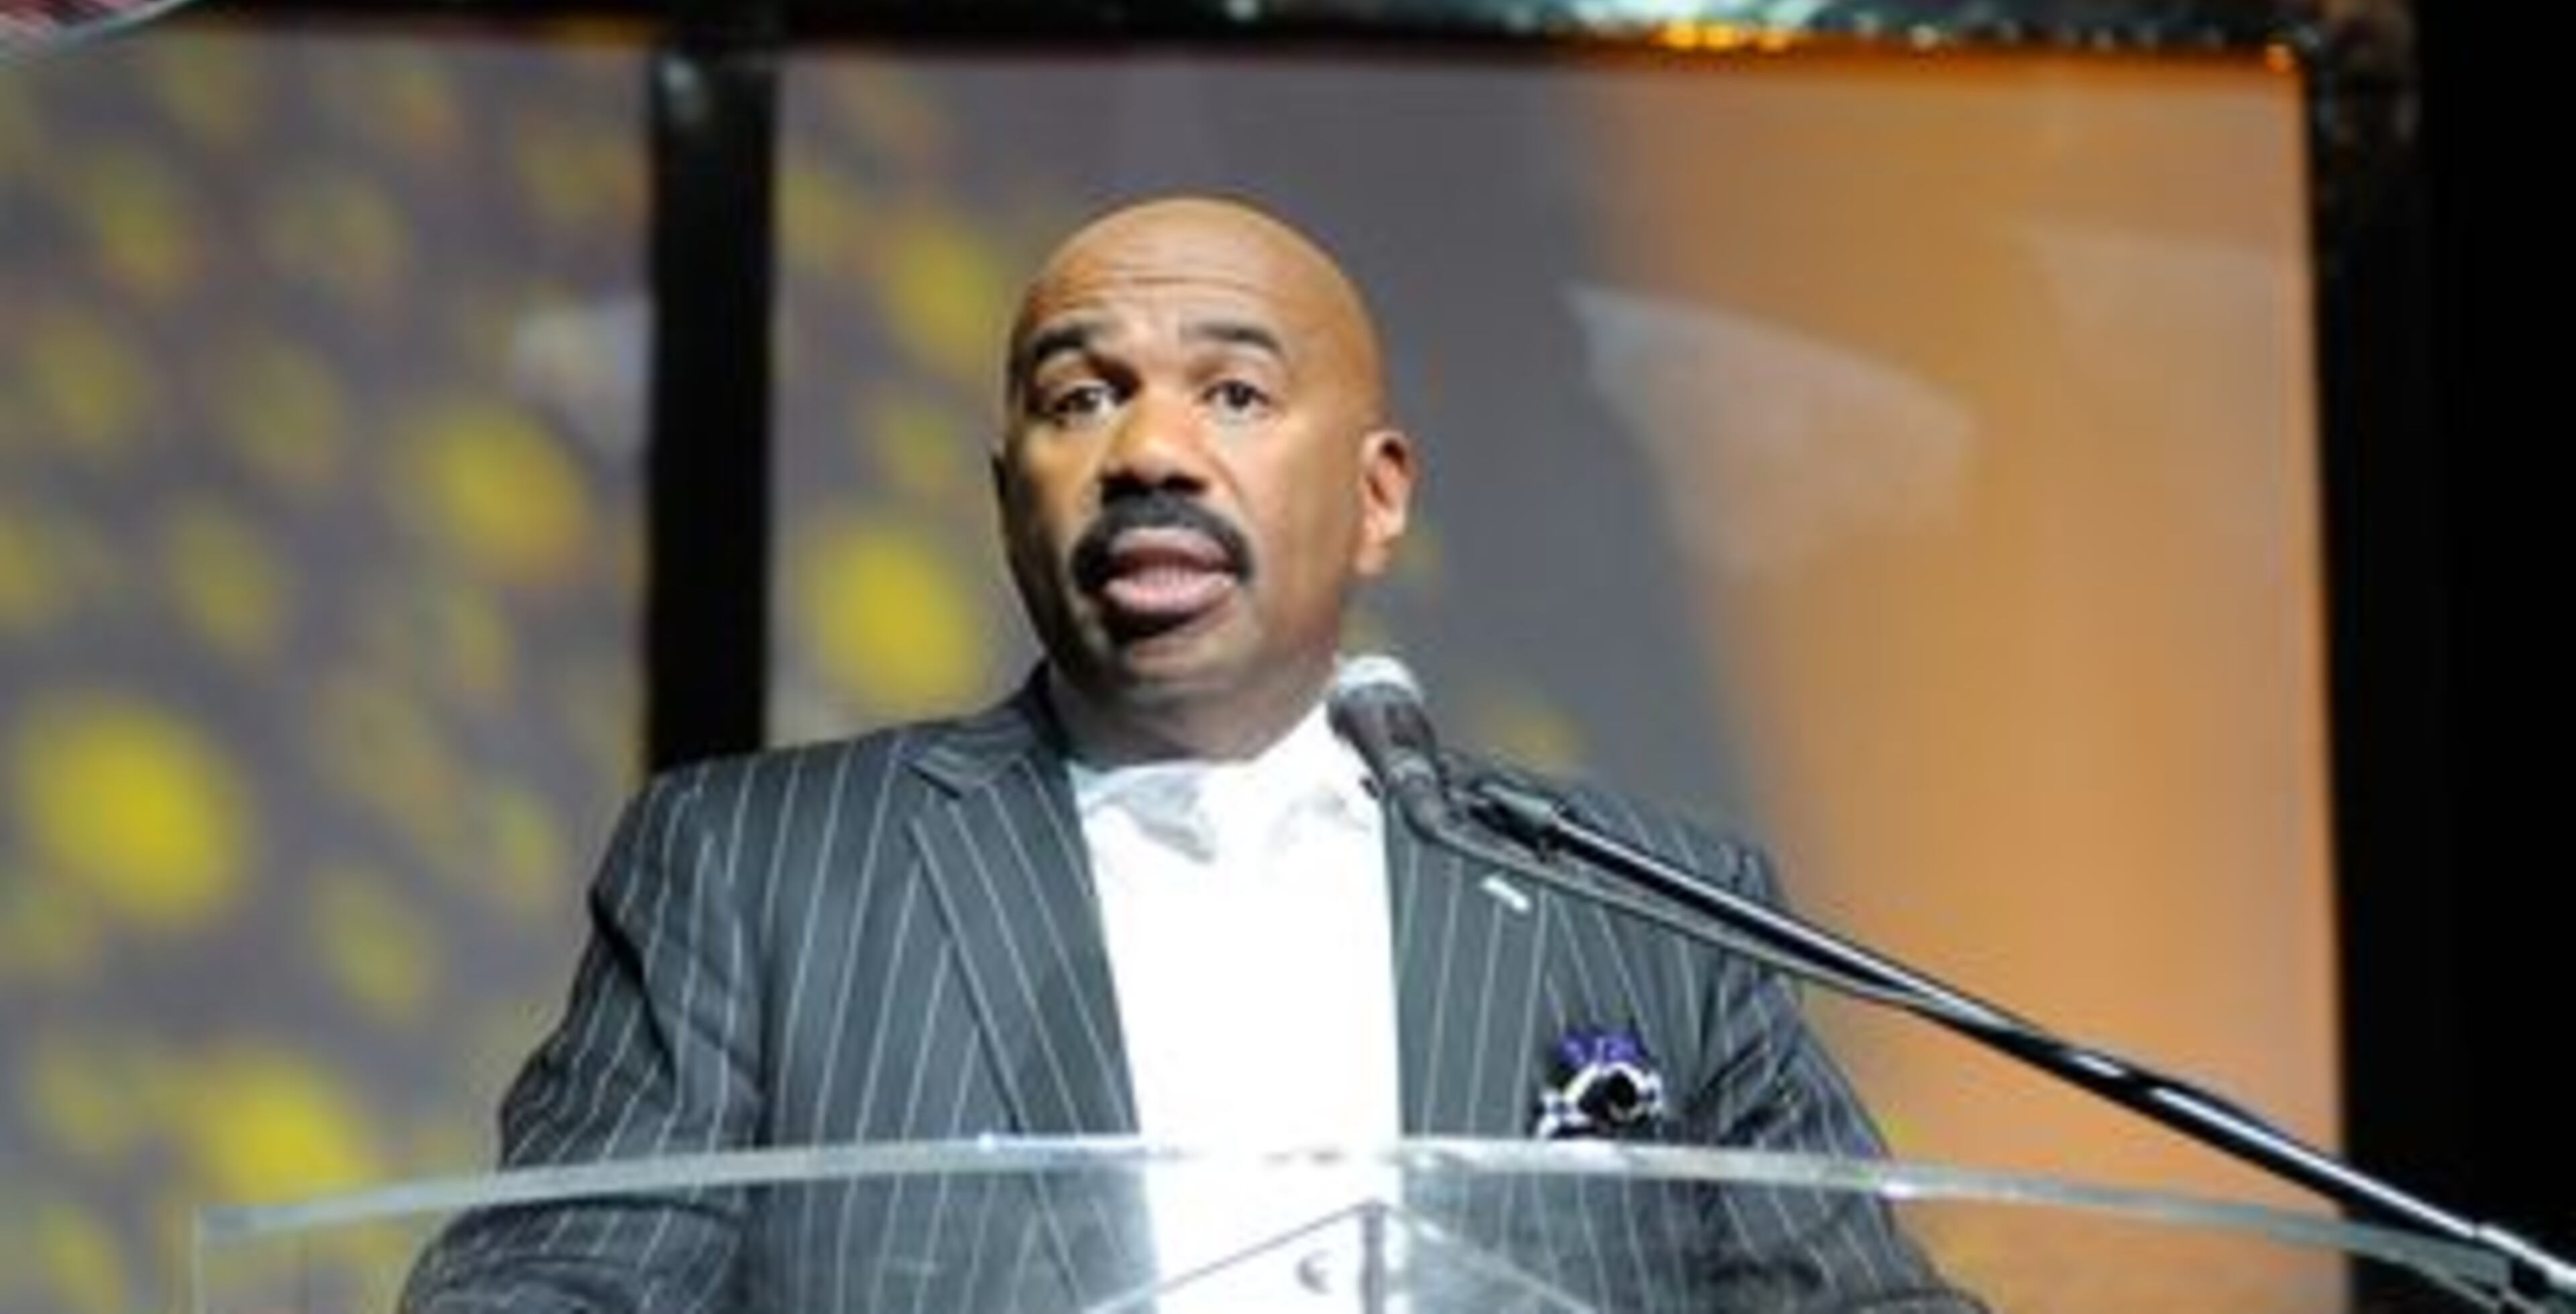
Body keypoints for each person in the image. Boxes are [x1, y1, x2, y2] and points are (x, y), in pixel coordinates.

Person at [400, 194, 1984, 1311]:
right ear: (1008, 496)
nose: (1150, 452)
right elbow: (547, 1294)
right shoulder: (757, 873)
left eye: (1234, 391)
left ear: (1378, 497)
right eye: (1082, 396)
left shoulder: (1651, 907)